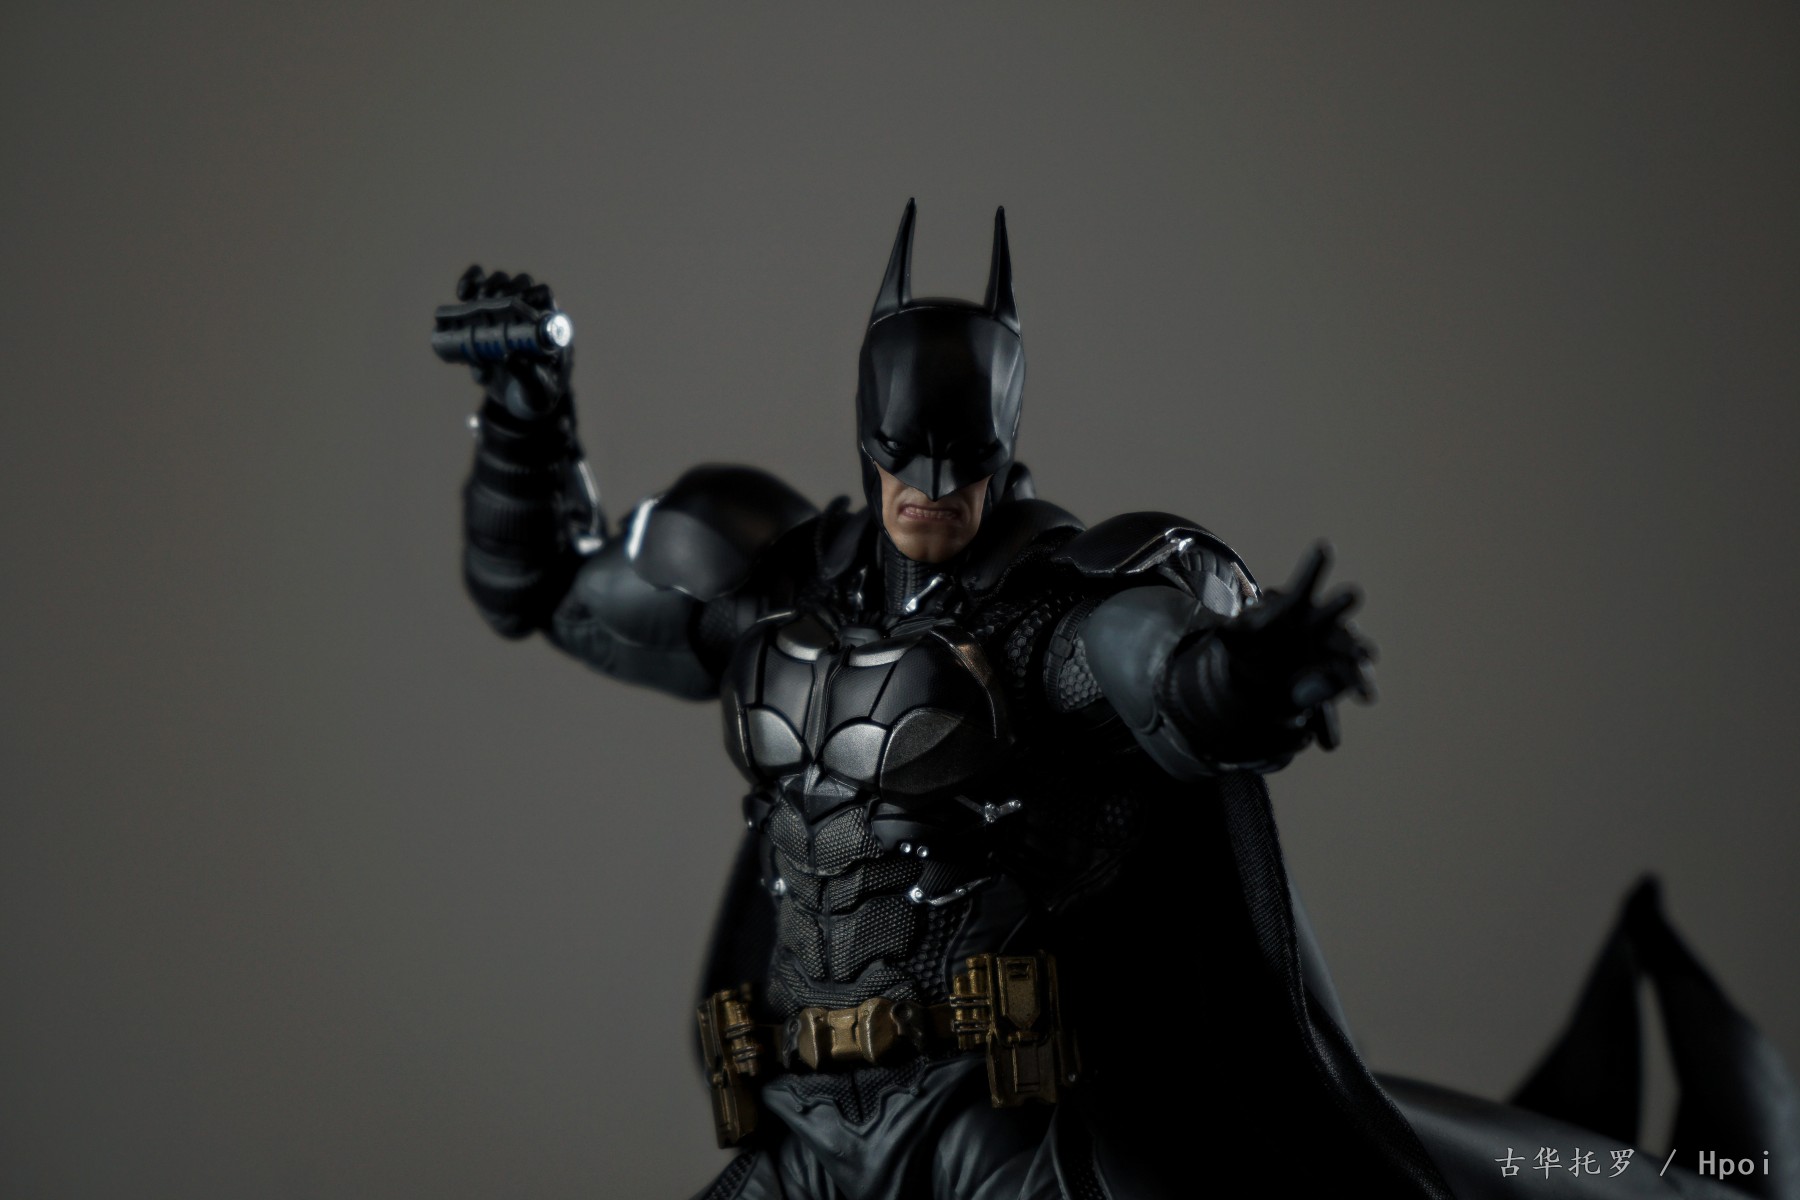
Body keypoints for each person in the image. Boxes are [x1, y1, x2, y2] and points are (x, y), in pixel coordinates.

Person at [437, 203, 1797, 1200]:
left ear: (1005, 445)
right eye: (904, 458)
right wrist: (525, 416)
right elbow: (543, 587)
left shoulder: (1045, 609)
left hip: (991, 1125)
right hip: (803, 1122)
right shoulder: (769, 583)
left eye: (962, 461)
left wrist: (1243, 678)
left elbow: (1157, 678)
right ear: (863, 437)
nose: (931, 489)